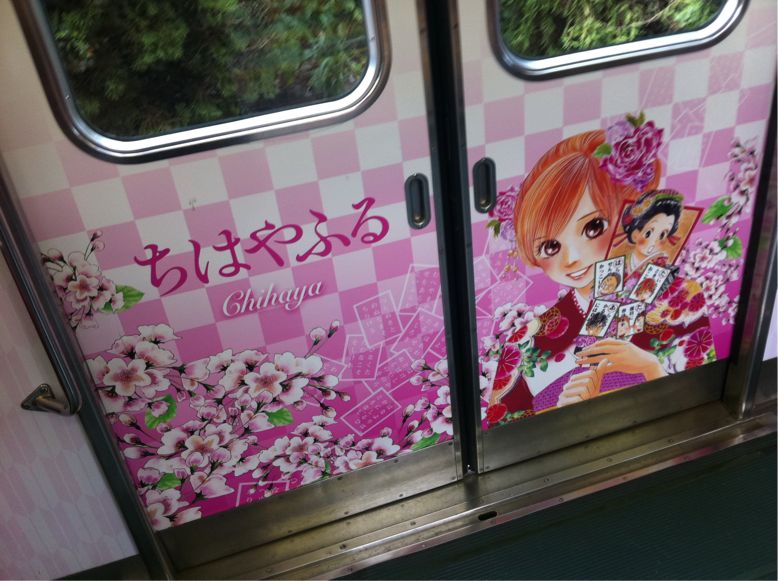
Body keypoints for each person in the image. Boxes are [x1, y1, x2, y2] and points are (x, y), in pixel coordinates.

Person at [486, 119, 716, 423]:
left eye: (594, 227)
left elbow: (707, 402)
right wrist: (560, 412)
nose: (572, 258)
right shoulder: (525, 340)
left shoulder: (681, 300)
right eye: (550, 247)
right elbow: (504, 436)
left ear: (630, 216)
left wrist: (651, 369)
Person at [620, 189, 684, 276]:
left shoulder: (661, 263)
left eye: (662, 235)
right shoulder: (624, 263)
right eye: (648, 233)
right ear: (635, 235)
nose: (654, 242)